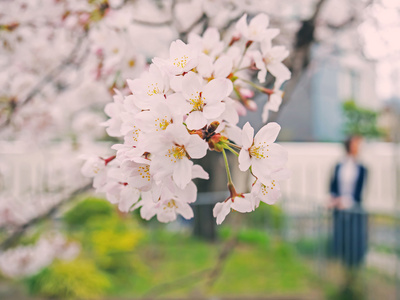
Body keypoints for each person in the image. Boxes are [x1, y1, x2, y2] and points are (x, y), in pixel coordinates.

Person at [329, 136, 368, 269]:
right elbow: (333, 186)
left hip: (354, 208)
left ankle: (355, 266)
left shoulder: (362, 168)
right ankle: (341, 264)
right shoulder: (339, 166)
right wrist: (334, 198)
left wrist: (346, 201)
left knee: (355, 238)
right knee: (341, 237)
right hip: (339, 208)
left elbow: (359, 192)